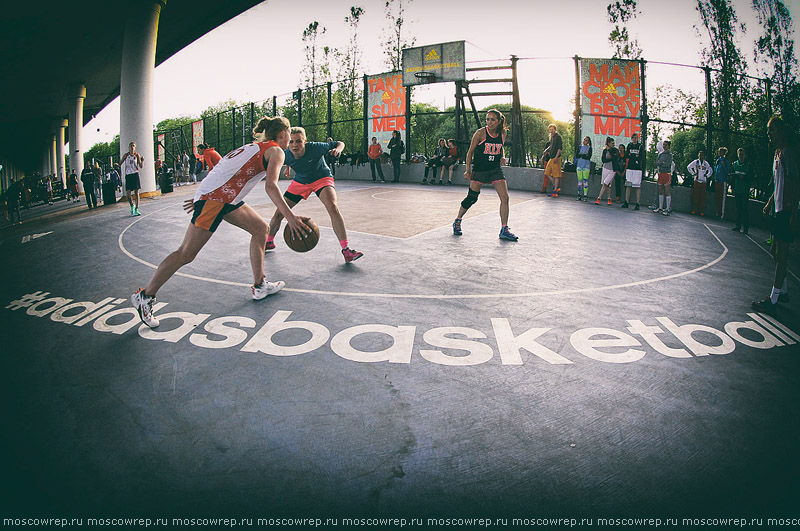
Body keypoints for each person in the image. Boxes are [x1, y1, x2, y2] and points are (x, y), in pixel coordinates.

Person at [131, 117, 310, 329]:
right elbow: (271, 186)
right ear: (283, 133)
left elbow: (223, 167)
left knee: (261, 229)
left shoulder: (254, 147)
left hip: (223, 198)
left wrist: (201, 195)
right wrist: (290, 217)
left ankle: (260, 285)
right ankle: (146, 296)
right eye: (289, 134)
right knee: (186, 253)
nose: (290, 139)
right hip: (217, 199)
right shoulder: (276, 151)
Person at [266, 128, 363, 263]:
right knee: (279, 213)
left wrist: (339, 149)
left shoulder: (316, 148)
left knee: (332, 207)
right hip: (300, 181)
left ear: (305, 141)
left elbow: (339, 143)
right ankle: (269, 241)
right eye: (292, 142)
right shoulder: (286, 154)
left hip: (321, 178)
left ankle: (346, 250)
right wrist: (287, 167)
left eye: (299, 141)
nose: (295, 145)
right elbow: (286, 160)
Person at [752, 116, 798, 318]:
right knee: (774, 251)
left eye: (771, 130)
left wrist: (793, 213)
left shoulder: (788, 152)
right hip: (779, 209)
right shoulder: (778, 154)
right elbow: (778, 183)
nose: (768, 134)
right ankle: (784, 292)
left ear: (780, 130)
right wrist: (770, 203)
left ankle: (773, 299)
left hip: (787, 210)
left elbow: (795, 182)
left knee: (781, 256)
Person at [452, 109, 518, 241]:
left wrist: (503, 156)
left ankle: (504, 229)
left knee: (505, 198)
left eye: (493, 119)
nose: (489, 122)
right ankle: (458, 220)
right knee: (472, 198)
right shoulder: (480, 133)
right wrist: (468, 170)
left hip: (495, 170)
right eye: (487, 119)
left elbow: (501, 147)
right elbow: (470, 153)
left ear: (499, 121)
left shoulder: (502, 133)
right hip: (480, 170)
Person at [731, 147, 752, 234]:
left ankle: (746, 228)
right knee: (738, 208)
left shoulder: (748, 165)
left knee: (745, 209)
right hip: (738, 189)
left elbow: (750, 177)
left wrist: (744, 177)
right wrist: (732, 187)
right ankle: (738, 225)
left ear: (745, 155)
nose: (741, 156)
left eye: (742, 154)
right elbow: (732, 176)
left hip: (745, 190)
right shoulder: (734, 164)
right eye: (739, 154)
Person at [621, 133, 644, 210]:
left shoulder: (640, 146)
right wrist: (634, 156)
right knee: (628, 185)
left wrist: (633, 156)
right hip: (630, 168)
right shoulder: (629, 145)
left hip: (637, 169)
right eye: (633, 138)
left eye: (636, 138)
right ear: (631, 138)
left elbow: (640, 157)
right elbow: (627, 155)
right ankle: (626, 201)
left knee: (637, 186)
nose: (635, 139)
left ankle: (637, 203)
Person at [121, 141, 144, 216]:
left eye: (133, 146)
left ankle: (137, 208)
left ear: (135, 147)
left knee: (136, 192)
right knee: (128, 193)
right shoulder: (126, 155)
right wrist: (117, 164)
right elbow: (120, 163)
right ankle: (132, 205)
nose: (132, 147)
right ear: (129, 147)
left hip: (135, 174)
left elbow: (140, 166)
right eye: (131, 146)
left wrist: (142, 161)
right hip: (128, 175)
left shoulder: (137, 155)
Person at [595, 137, 619, 205]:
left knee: (606, 183)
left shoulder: (615, 150)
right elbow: (603, 160)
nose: (613, 144)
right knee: (607, 184)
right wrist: (609, 158)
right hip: (605, 168)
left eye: (614, 143)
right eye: (612, 143)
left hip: (612, 169)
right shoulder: (605, 150)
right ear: (608, 143)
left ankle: (599, 197)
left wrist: (610, 154)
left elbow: (615, 158)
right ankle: (609, 198)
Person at [687, 151, 713, 216]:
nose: (700, 156)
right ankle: (694, 210)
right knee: (695, 196)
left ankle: (701, 211)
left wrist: (707, 175)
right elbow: (689, 167)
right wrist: (693, 173)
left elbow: (711, 170)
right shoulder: (695, 162)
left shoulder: (706, 163)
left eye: (702, 155)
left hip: (703, 181)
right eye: (699, 155)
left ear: (704, 156)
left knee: (702, 197)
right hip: (696, 180)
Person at [543, 124, 563, 197]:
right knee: (547, 172)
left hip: (556, 158)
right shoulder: (552, 137)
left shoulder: (558, 137)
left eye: (552, 129)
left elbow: (560, 148)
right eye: (550, 130)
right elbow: (551, 145)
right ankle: (556, 186)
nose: (551, 131)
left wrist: (556, 157)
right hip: (551, 157)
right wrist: (546, 150)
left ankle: (555, 190)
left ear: (555, 129)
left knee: (556, 175)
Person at [655, 140, 673, 215]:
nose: (664, 146)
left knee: (667, 191)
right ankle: (660, 207)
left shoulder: (670, 155)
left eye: (665, 145)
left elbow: (668, 164)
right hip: (661, 174)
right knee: (660, 190)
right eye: (663, 145)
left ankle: (667, 208)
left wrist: (661, 163)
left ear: (668, 146)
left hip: (667, 174)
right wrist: (661, 163)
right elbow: (657, 163)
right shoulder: (660, 154)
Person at [714, 147, 731, 219]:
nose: (719, 153)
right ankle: (718, 212)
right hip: (717, 180)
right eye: (719, 152)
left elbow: (728, 171)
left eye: (721, 152)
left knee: (722, 198)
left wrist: (724, 165)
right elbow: (716, 170)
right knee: (717, 197)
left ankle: (722, 214)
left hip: (723, 181)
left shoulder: (725, 161)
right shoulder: (718, 161)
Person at [574, 136, 592, 201]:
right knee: (579, 181)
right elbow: (577, 155)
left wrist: (582, 155)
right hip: (579, 165)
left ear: (588, 142)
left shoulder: (590, 148)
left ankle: (585, 195)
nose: (584, 141)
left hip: (586, 166)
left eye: (586, 140)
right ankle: (579, 194)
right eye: (584, 140)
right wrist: (583, 155)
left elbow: (588, 157)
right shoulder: (579, 147)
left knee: (585, 181)